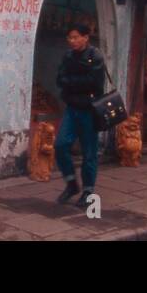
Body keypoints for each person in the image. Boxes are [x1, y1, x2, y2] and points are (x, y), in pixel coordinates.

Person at [54, 23, 106, 207]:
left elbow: (95, 84)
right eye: (70, 38)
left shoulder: (95, 56)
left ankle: (88, 191)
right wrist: (75, 82)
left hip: (89, 111)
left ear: (86, 37)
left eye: (76, 37)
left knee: (89, 153)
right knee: (60, 145)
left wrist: (71, 82)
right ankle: (71, 183)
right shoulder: (68, 56)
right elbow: (60, 79)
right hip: (71, 108)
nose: (73, 41)